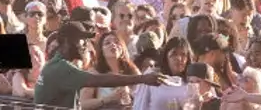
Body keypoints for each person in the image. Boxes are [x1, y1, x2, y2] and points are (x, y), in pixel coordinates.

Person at [35, 21, 178, 110]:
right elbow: (100, 80)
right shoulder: (60, 67)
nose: (85, 45)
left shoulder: (58, 63)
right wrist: (142, 79)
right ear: (66, 41)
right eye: (82, 40)